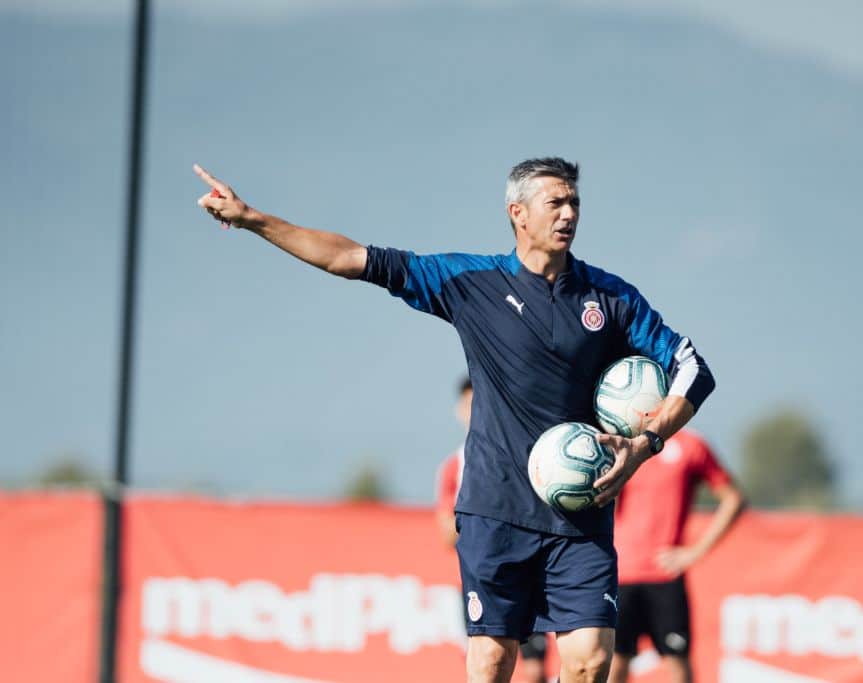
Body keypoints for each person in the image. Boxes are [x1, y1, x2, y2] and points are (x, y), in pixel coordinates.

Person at [194, 157, 715, 683]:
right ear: (518, 213)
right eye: (555, 202)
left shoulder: (612, 298)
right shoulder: (472, 282)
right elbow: (349, 258)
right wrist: (252, 218)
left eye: (574, 202)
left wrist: (646, 442)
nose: (568, 213)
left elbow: (694, 368)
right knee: (492, 663)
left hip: (580, 516)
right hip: (496, 511)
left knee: (590, 661)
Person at [607, 430, 745, 683]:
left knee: (677, 664)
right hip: (619, 574)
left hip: (665, 575)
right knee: (614, 664)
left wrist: (695, 552)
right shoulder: (617, 442)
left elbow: (733, 499)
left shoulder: (690, 446)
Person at [437, 377, 549, 683]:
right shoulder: (455, 466)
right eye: (467, 404)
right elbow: (447, 534)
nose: (474, 411)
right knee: (488, 662)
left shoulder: (532, 454)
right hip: (484, 575)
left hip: (529, 570)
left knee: (536, 669)